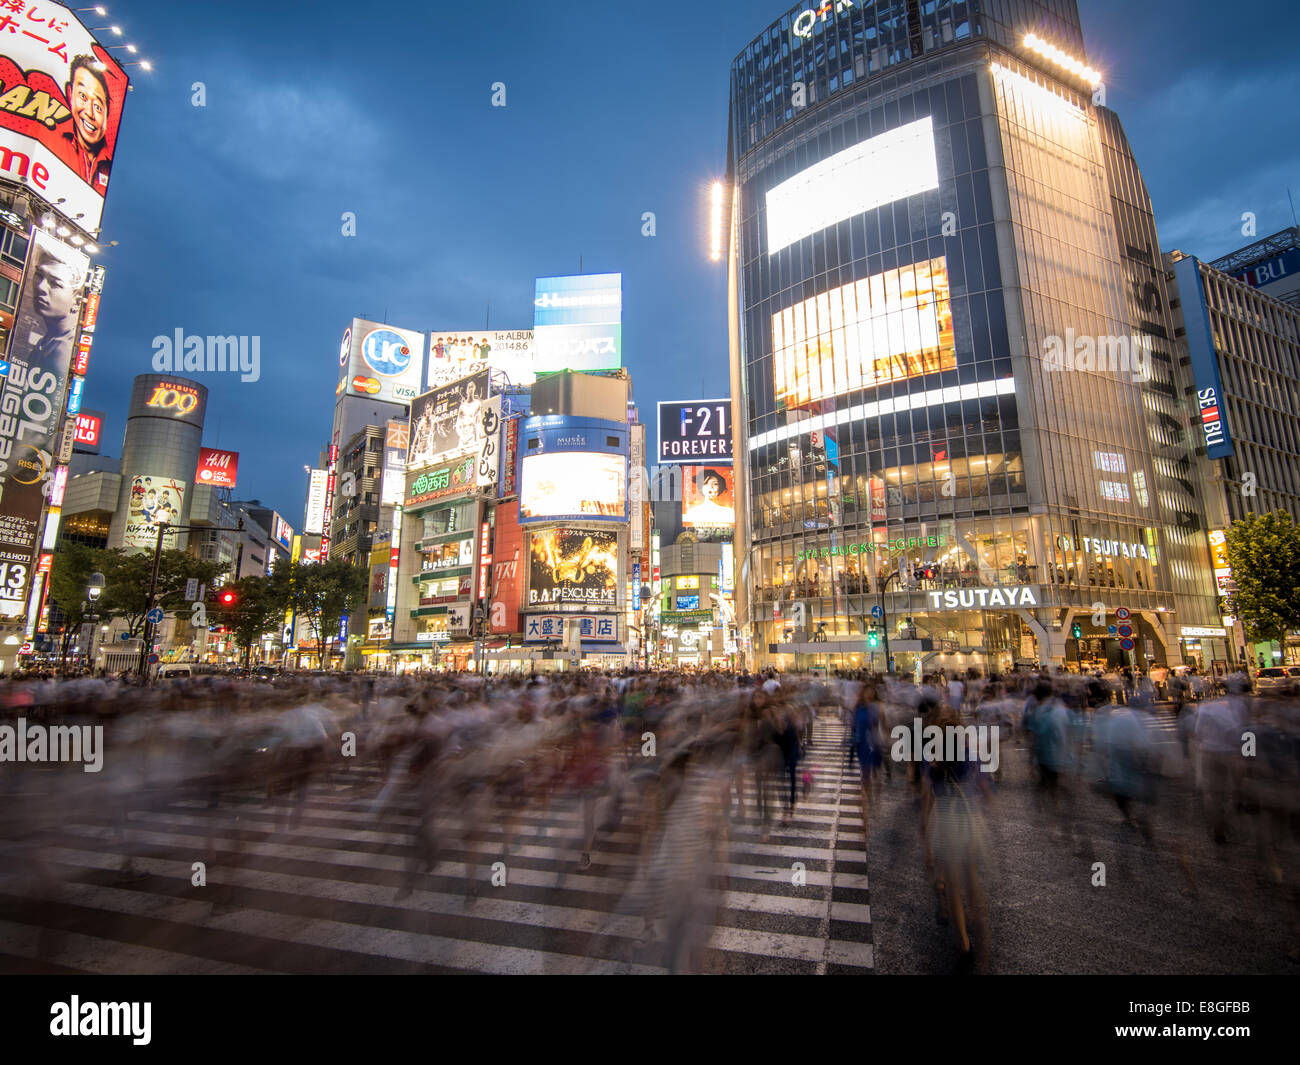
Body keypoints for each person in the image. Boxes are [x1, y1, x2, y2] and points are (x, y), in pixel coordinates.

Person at [62, 55, 115, 192]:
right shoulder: (52, 138)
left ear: (107, 114)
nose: (90, 113)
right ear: (70, 93)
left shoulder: (109, 165)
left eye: (98, 107)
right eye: (83, 96)